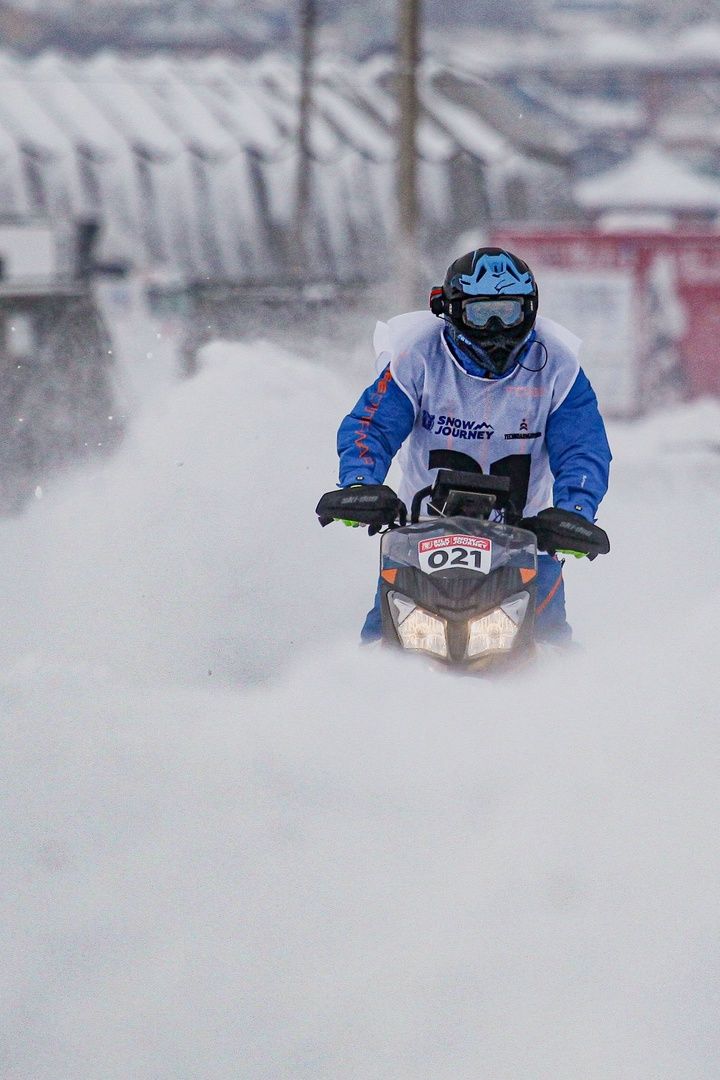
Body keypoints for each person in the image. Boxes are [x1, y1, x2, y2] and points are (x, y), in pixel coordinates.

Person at [333, 246, 611, 644]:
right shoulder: (417, 354)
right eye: (481, 313)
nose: (497, 328)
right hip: (421, 537)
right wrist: (360, 482)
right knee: (381, 641)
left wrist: (575, 511)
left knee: (553, 648)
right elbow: (371, 426)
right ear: (453, 311)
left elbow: (584, 448)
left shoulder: (558, 366)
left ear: (529, 309)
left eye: (509, 312)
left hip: (526, 539)